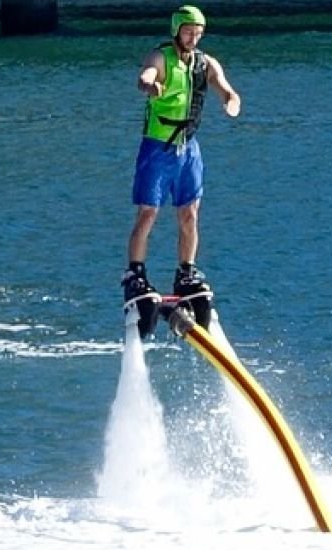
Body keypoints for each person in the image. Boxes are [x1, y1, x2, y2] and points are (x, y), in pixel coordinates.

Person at [121, 5, 242, 337]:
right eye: (189, 31)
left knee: (190, 213)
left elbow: (224, 86)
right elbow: (145, 75)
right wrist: (150, 86)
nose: (194, 37)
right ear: (177, 31)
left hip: (188, 148)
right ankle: (135, 273)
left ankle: (186, 272)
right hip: (157, 148)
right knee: (148, 213)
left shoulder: (205, 63)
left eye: (198, 33)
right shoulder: (161, 58)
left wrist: (230, 98)